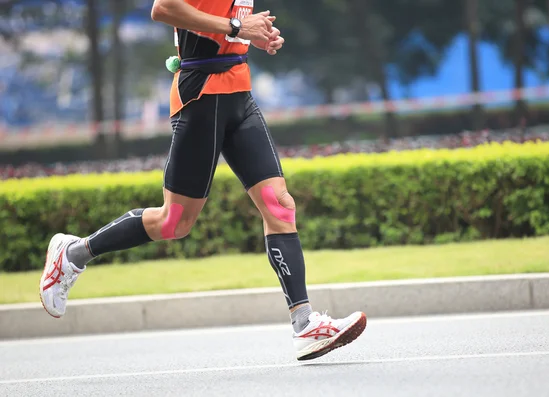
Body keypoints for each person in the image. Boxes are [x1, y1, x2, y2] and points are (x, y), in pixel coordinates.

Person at [39, 0, 367, 361]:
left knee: (279, 204)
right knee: (174, 222)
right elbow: (163, 8)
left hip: (239, 93)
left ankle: (304, 325)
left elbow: (225, 23)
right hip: (200, 95)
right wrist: (239, 29)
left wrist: (251, 38)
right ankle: (72, 255)